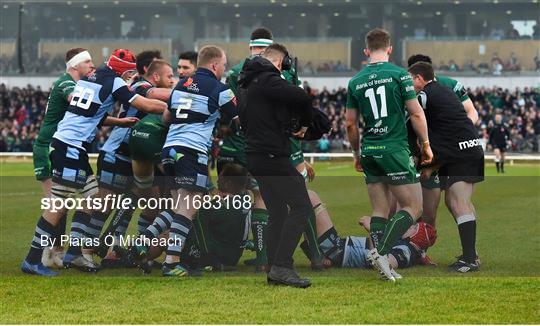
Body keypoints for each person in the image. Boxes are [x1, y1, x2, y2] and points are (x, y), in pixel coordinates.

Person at [20, 49, 168, 276]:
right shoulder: (116, 82)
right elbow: (146, 105)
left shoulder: (89, 79)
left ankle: (75, 252)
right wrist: (177, 108)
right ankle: (32, 259)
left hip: (71, 146)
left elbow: (91, 113)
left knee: (93, 197)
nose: (131, 78)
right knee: (57, 206)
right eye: (129, 74)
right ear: (124, 71)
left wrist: (119, 121)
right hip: (70, 147)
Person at [345, 28, 432, 282]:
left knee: (380, 210)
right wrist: (425, 144)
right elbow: (415, 113)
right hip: (393, 148)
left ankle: (382, 264)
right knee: (414, 207)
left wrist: (356, 153)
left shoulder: (355, 81)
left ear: (366, 51)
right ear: (390, 49)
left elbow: (350, 123)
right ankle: (381, 253)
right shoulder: (399, 75)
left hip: (370, 149)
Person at [152, 45, 237, 277]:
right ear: (214, 65)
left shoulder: (181, 84)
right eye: (223, 65)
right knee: (189, 208)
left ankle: (143, 240)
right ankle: (171, 263)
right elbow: (239, 120)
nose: (224, 68)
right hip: (191, 151)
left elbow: (166, 117)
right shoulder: (220, 89)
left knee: (178, 206)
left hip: (169, 150)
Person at [238, 43, 314, 288]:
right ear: (281, 63)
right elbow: (301, 96)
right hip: (271, 155)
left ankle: (273, 268)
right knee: (303, 207)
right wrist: (302, 123)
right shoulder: (268, 79)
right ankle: (282, 266)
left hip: (256, 156)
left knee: (278, 212)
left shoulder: (248, 82)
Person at [408, 62, 484, 273]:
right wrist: (432, 167)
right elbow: (451, 133)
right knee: (456, 203)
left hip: (462, 154)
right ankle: (471, 255)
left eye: (410, 80)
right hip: (465, 150)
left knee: (458, 203)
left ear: (419, 78)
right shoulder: (445, 92)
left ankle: (470, 260)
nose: (410, 85)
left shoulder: (424, 96)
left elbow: (414, 121)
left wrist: (420, 157)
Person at [32, 48, 95, 268]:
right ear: (74, 65)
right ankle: (43, 253)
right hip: (49, 147)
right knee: (57, 204)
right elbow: (76, 100)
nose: (92, 65)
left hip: (57, 148)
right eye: (87, 61)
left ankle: (55, 252)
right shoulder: (66, 83)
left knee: (62, 203)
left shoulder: (75, 83)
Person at [407, 54, 479, 226]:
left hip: (451, 150)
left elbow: (472, 112)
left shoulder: (450, 85)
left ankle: (470, 248)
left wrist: (457, 135)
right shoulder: (407, 90)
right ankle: (417, 250)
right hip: (425, 154)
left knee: (458, 202)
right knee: (424, 211)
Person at [300, 190, 437, 270]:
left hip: (337, 251)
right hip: (337, 249)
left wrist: (372, 229)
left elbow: (385, 262)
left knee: (308, 196)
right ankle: (318, 256)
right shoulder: (407, 247)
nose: (409, 225)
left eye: (413, 227)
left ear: (415, 237)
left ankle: (318, 256)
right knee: (301, 199)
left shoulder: (405, 251)